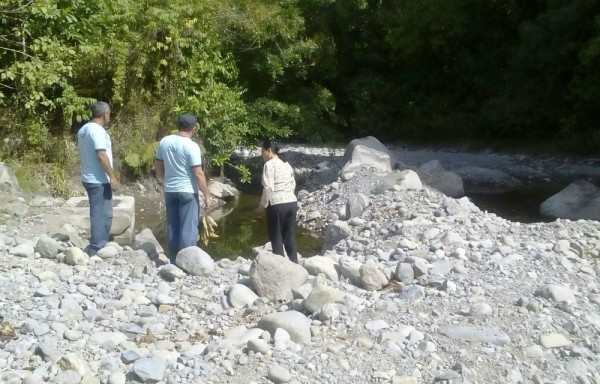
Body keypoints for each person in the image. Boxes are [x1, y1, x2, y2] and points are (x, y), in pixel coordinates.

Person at [154, 114, 212, 263]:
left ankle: (173, 260)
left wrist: (163, 179)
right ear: (193, 128)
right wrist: (207, 195)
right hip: (187, 191)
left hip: (170, 190)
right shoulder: (192, 146)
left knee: (173, 226)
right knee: (188, 229)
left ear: (178, 125)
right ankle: (187, 262)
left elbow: (158, 164)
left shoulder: (165, 142)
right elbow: (198, 173)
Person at [77, 101, 119, 256]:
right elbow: (101, 155)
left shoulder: (83, 129)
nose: (110, 117)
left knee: (103, 212)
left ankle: (100, 243)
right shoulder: (98, 131)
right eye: (109, 114)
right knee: (100, 213)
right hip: (98, 179)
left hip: (88, 176)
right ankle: (97, 248)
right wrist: (112, 176)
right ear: (104, 114)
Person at [256, 140, 298, 263]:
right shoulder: (286, 163)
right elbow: (293, 183)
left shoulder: (269, 165)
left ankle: (280, 265)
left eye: (262, 151)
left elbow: (268, 188)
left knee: (276, 236)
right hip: (291, 202)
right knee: (289, 235)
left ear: (268, 150)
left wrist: (262, 205)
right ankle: (295, 263)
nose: (261, 155)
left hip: (277, 203)